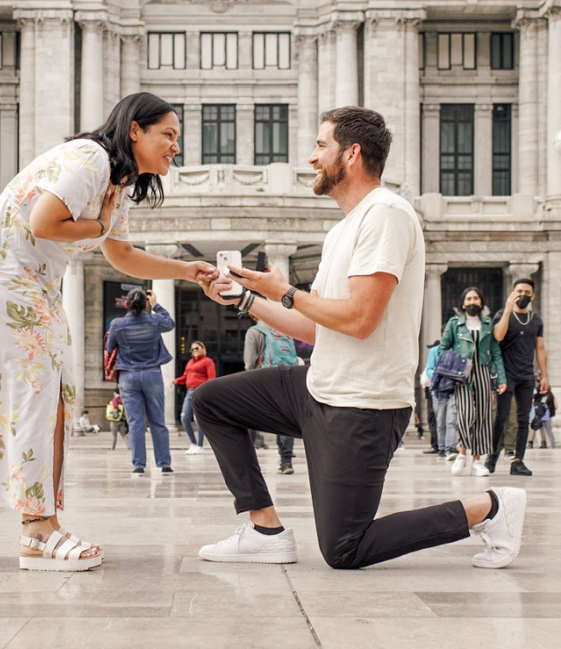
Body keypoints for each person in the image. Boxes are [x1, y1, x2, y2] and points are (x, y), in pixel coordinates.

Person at [192, 107, 526, 570]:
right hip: (319, 385)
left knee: (344, 549)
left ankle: (490, 507)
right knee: (211, 400)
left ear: (351, 154)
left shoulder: (386, 215)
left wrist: (284, 291)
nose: (310, 158)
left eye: (320, 146)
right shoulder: (343, 228)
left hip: (363, 403)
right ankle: (265, 530)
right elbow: (318, 326)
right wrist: (247, 301)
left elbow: (360, 319)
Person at [0, 92, 215, 572]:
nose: (176, 147)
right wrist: (99, 222)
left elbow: (122, 255)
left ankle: (42, 528)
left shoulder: (116, 181)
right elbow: (45, 221)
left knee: (51, 397)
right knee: (37, 396)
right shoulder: (90, 157)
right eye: (169, 135)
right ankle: (36, 531)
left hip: (32, 283)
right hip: (6, 278)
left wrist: (186, 271)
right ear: (135, 129)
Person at [430, 287, 507, 478]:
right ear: (463, 303)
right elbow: (442, 348)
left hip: (483, 371)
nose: (472, 302)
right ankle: (462, 454)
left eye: (476, 298)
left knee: (483, 415)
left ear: (481, 302)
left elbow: (496, 352)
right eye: (469, 299)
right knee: (465, 414)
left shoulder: (488, 324)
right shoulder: (454, 324)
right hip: (462, 374)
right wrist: (454, 361)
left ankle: (477, 460)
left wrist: (501, 378)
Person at [106, 288, 176, 477]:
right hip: (152, 373)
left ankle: (138, 466)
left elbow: (109, 346)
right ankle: (164, 465)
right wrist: (157, 305)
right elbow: (170, 323)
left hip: (128, 376)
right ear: (146, 304)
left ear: (126, 304)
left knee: (135, 422)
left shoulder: (117, 324)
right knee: (157, 421)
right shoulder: (154, 320)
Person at [488, 279, 548, 476]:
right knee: (501, 417)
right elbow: (498, 336)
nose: (523, 295)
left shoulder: (536, 320)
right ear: (513, 293)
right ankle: (492, 456)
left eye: (527, 292)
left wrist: (544, 375)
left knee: (524, 419)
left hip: (526, 375)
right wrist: (507, 310)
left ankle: (518, 460)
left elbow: (540, 348)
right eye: (519, 291)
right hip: (506, 375)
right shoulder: (502, 315)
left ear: (533, 296)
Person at [243, 319, 300, 473]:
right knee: (285, 421)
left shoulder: (253, 332)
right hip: (284, 381)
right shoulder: (285, 330)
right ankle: (286, 461)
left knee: (251, 419)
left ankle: (248, 462)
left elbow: (249, 363)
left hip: (261, 381)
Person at [175, 340, 216, 454]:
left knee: (198, 418)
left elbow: (211, 377)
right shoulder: (190, 362)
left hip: (200, 391)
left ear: (203, 349)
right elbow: (185, 376)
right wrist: (176, 381)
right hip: (190, 391)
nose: (194, 351)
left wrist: (207, 392)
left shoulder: (208, 361)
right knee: (184, 417)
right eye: (192, 349)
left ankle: (200, 445)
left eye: (196, 348)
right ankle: (193, 443)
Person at [421, 349, 458, 457]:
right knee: (440, 420)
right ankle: (441, 447)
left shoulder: (458, 349)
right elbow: (429, 370)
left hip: (453, 388)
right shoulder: (434, 351)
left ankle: (450, 447)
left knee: (452, 420)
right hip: (438, 390)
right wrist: (443, 376)